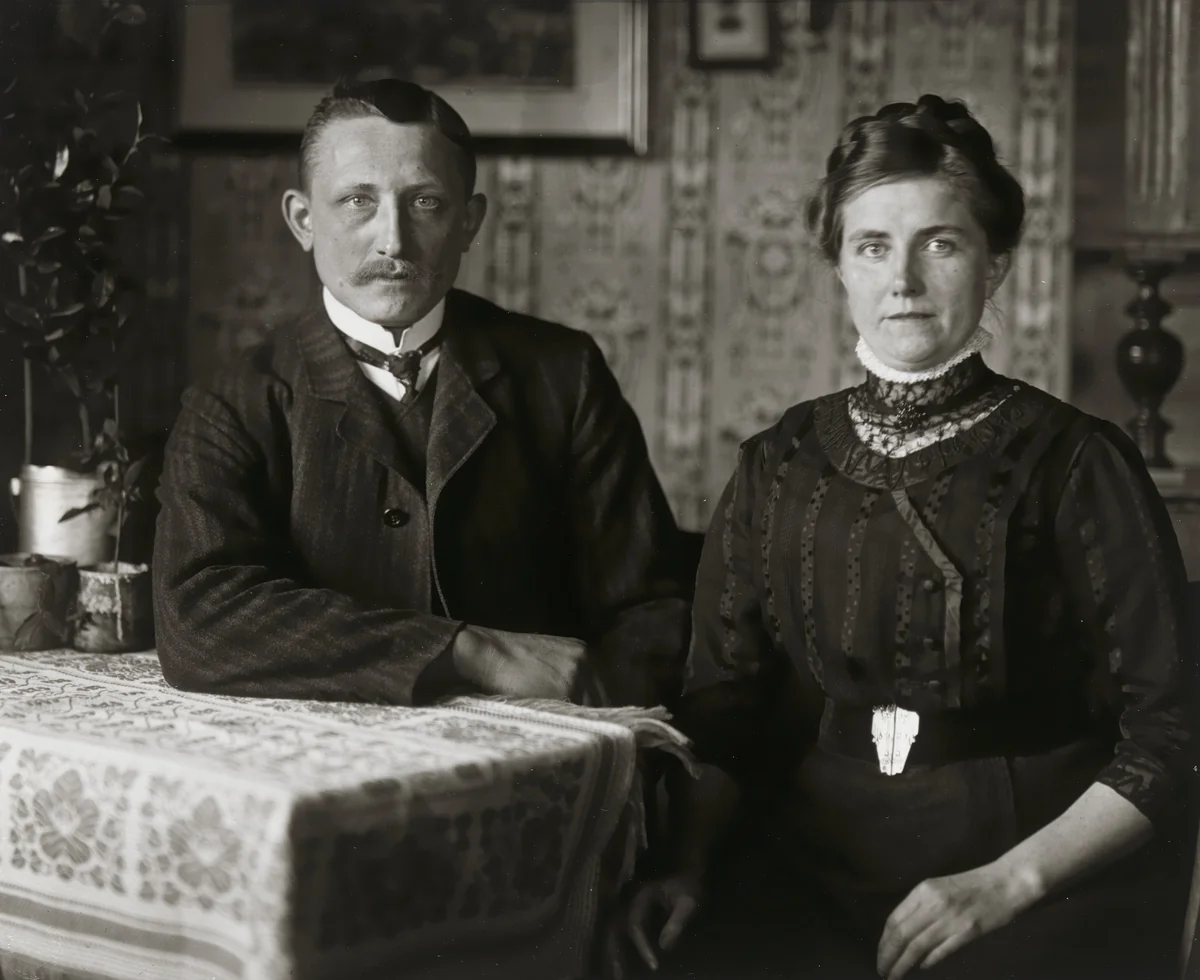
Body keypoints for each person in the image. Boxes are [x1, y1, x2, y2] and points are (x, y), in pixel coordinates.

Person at [615, 95, 1193, 980]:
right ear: (838, 267)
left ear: (995, 264)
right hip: (813, 851)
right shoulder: (779, 461)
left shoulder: (1077, 462)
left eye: (942, 243)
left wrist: (1007, 884)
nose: (904, 281)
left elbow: (1172, 734)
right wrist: (687, 863)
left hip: (1033, 857)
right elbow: (725, 711)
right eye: (873, 246)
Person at [152, 78, 691, 709]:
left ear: (470, 222)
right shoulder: (233, 400)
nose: (393, 242)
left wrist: (599, 718)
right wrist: (471, 650)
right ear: (303, 220)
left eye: (426, 203)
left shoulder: (562, 374)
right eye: (357, 201)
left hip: (531, 755)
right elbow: (198, 621)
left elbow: (651, 607)